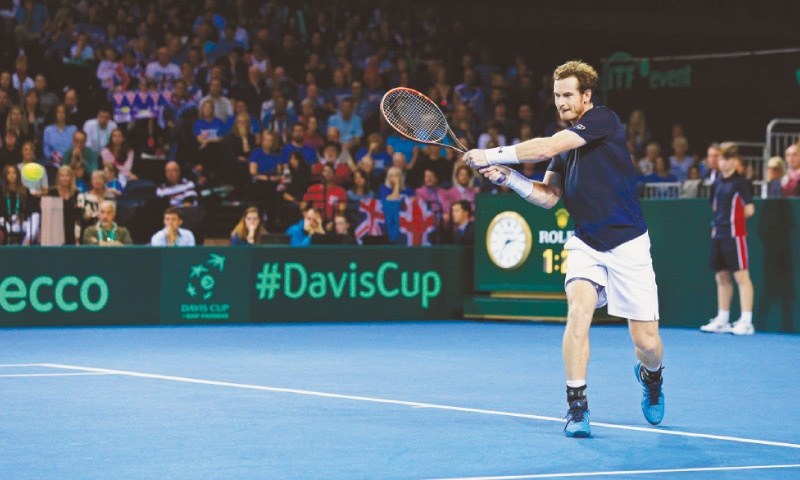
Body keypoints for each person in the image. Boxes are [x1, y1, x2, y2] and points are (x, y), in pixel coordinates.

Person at [466, 60, 665, 438]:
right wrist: (511, 178)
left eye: (568, 95)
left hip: (629, 243)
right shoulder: (563, 146)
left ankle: (652, 377)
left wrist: (492, 155)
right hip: (586, 242)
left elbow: (547, 146)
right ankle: (577, 406)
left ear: (586, 96)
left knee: (648, 344)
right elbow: (549, 197)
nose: (561, 102)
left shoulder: (603, 120)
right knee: (577, 313)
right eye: (556, 96)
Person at [700, 143, 756, 335]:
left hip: (735, 235)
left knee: (741, 276)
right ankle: (723, 319)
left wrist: (734, 220)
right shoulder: (716, 183)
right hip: (718, 234)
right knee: (722, 276)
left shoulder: (741, 183)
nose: (725, 162)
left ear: (735, 160)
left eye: (729, 159)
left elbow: (749, 209)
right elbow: (715, 207)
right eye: (722, 159)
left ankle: (746, 321)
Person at [46, 165, 80, 245]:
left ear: (71, 178)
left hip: (71, 231)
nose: (64, 178)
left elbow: (79, 215)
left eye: (67, 176)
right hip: (54, 231)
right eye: (62, 176)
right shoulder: (51, 192)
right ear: (58, 177)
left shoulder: (77, 193)